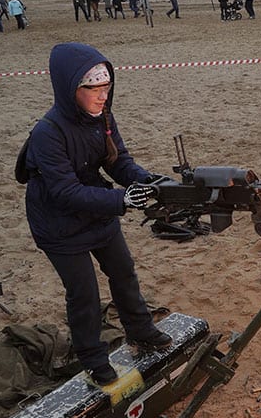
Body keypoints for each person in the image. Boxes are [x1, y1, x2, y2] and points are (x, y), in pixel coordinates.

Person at [23, 43, 173, 386]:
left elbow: (118, 160)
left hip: (97, 211)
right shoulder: (48, 133)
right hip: (58, 225)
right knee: (84, 292)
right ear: (70, 87)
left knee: (123, 271)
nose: (103, 95)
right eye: (93, 87)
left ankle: (140, 329)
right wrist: (123, 201)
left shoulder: (102, 117)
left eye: (106, 86)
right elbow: (65, 192)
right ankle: (92, 358)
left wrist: (147, 181)